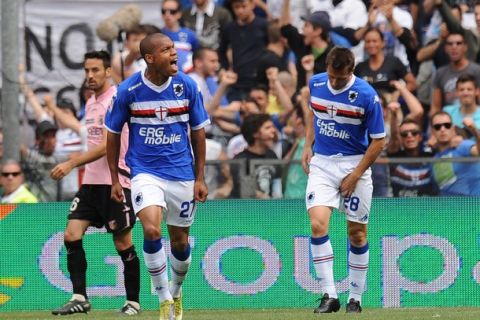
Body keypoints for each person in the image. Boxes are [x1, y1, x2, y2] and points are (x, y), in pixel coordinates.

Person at [105, 33, 210, 320]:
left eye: (174, 48)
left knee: (180, 242)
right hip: (145, 172)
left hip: (181, 174)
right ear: (150, 58)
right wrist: (116, 178)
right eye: (166, 50)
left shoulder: (187, 86)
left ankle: (176, 292)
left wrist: (200, 177)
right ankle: (163, 298)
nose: (174, 54)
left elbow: (198, 132)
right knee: (151, 230)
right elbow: (112, 135)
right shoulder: (129, 90)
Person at [50, 51, 140, 316]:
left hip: (116, 181)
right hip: (91, 183)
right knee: (71, 235)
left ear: (108, 71)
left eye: (95, 70)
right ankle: (80, 297)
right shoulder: (90, 102)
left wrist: (71, 163)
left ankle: (133, 302)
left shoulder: (115, 100)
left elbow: (106, 145)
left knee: (123, 244)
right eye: (86, 70)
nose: (90, 76)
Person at [301, 47, 385, 313]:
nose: (334, 82)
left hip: (354, 164)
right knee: (317, 225)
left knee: (357, 234)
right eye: (332, 76)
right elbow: (314, 114)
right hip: (323, 163)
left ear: (351, 71)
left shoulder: (367, 96)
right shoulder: (315, 83)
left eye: (340, 78)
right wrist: (307, 145)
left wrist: (355, 175)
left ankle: (355, 299)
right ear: (326, 66)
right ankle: (329, 295)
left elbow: (379, 140)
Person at [430, 111, 480, 195]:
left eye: (447, 125)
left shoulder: (463, 145)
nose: (442, 129)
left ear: (453, 128)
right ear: (433, 131)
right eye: (437, 127)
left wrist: (474, 131)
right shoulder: (434, 159)